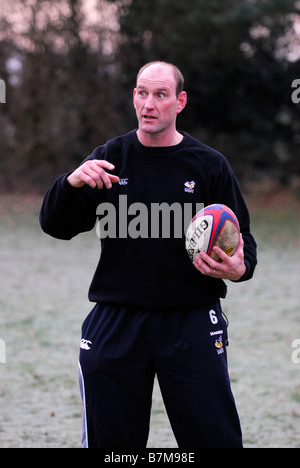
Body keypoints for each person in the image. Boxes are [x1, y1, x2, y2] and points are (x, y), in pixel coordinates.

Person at [40, 61, 257, 448]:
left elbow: (244, 246)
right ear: (134, 97)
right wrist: (71, 183)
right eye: (142, 93)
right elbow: (56, 226)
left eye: (160, 94)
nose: (149, 103)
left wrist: (239, 268)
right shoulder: (109, 158)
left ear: (180, 101)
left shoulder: (209, 165)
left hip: (190, 322)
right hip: (117, 321)